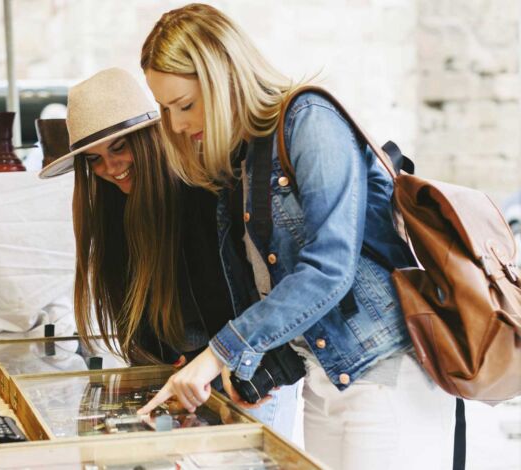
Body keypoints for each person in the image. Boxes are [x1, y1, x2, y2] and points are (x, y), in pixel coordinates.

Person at [137, 4, 455, 469]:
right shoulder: (244, 161)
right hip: (325, 377)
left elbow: (330, 268)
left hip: (383, 371)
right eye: (167, 110)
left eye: (185, 104)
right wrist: (249, 366)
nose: (179, 125)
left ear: (226, 76)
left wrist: (220, 351)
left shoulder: (310, 119)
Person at [39, 67, 298, 438]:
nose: (110, 168)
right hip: (187, 388)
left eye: (119, 147)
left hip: (250, 377)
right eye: (94, 159)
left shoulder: (207, 190)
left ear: (148, 138)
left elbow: (249, 296)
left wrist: (212, 365)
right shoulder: (114, 212)